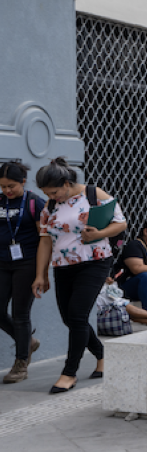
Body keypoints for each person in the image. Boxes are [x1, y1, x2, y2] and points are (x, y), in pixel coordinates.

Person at [33, 157, 126, 394]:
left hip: (94, 262)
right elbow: (45, 240)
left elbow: (120, 223)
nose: (53, 197)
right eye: (47, 193)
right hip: (63, 266)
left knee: (76, 315)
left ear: (65, 183)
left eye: (54, 191)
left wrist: (99, 234)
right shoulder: (50, 207)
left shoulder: (94, 194)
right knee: (71, 318)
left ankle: (69, 373)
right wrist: (41, 274)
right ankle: (102, 355)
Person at [0, 162, 45, 384]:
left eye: (12, 186)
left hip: (27, 263)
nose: (7, 191)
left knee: (20, 314)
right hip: (2, 263)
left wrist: (41, 273)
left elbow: (45, 239)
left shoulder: (35, 203)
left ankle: (20, 364)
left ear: (23, 182)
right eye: (3, 187)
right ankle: (27, 342)